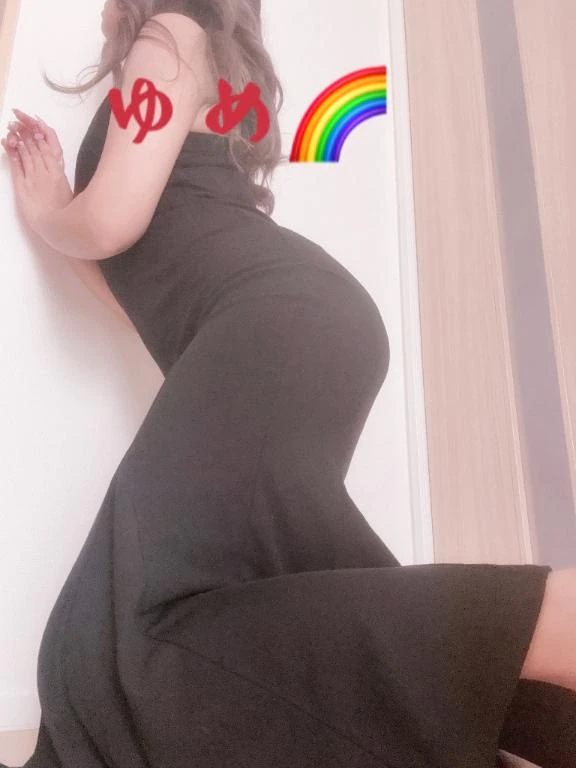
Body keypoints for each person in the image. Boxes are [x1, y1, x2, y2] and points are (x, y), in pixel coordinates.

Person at [2, 1, 576, 766]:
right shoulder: (185, 62)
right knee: (249, 612)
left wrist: (51, 211)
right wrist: (66, 227)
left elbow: (110, 223)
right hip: (285, 321)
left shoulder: (168, 33)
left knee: (125, 633)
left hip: (275, 316)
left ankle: (557, 625)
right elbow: (138, 288)